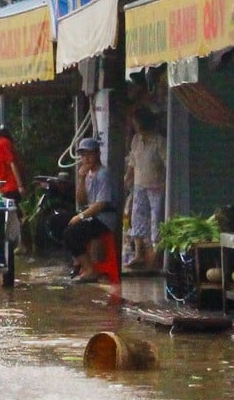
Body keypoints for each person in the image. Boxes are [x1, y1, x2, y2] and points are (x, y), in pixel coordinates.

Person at [62, 137, 119, 282]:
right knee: (59, 221)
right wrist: (81, 179)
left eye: (89, 154)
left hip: (104, 218)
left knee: (71, 233)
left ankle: (90, 269)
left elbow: (101, 204)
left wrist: (80, 217)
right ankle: (77, 262)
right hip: (91, 214)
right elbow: (81, 201)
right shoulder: (88, 174)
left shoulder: (103, 174)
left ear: (97, 154)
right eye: (83, 155)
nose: (85, 158)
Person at [125, 109, 166, 270]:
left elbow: (167, 163)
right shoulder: (136, 140)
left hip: (156, 186)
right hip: (139, 185)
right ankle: (138, 254)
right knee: (137, 217)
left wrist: (165, 184)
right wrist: (126, 178)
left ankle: (156, 255)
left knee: (156, 219)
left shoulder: (159, 142)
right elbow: (132, 163)